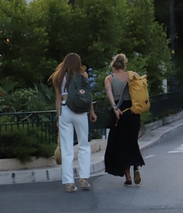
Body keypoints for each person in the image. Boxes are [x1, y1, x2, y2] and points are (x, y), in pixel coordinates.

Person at [50, 53, 97, 193]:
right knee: (83, 145)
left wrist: (59, 116)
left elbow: (58, 99)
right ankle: (83, 178)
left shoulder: (58, 77)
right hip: (80, 111)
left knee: (67, 148)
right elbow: (87, 95)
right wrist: (92, 111)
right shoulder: (83, 75)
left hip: (65, 109)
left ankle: (69, 182)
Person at [104, 54, 145, 186]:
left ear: (113, 67)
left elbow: (109, 94)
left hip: (120, 113)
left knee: (121, 144)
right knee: (132, 141)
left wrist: (115, 108)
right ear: (124, 65)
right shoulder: (133, 75)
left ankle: (128, 178)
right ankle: (136, 166)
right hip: (133, 111)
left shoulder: (109, 79)